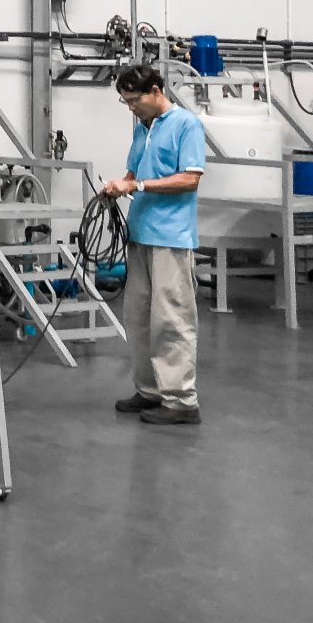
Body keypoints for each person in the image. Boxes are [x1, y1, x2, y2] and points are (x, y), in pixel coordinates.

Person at [101, 64, 207, 427]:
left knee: (172, 318)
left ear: (156, 91)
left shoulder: (186, 125)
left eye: (135, 100)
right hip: (140, 233)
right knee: (139, 317)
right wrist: (120, 185)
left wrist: (138, 186)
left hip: (171, 237)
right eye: (126, 102)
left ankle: (181, 400)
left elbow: (190, 179)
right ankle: (149, 390)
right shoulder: (142, 128)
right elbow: (135, 172)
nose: (131, 107)